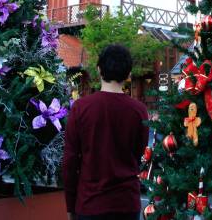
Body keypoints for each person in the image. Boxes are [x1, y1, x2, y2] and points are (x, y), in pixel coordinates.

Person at [63, 44, 149, 220]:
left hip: (90, 204)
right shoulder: (139, 110)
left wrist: (71, 205)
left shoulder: (81, 108)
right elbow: (139, 153)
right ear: (128, 74)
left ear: (99, 69)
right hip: (126, 204)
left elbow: (70, 162)